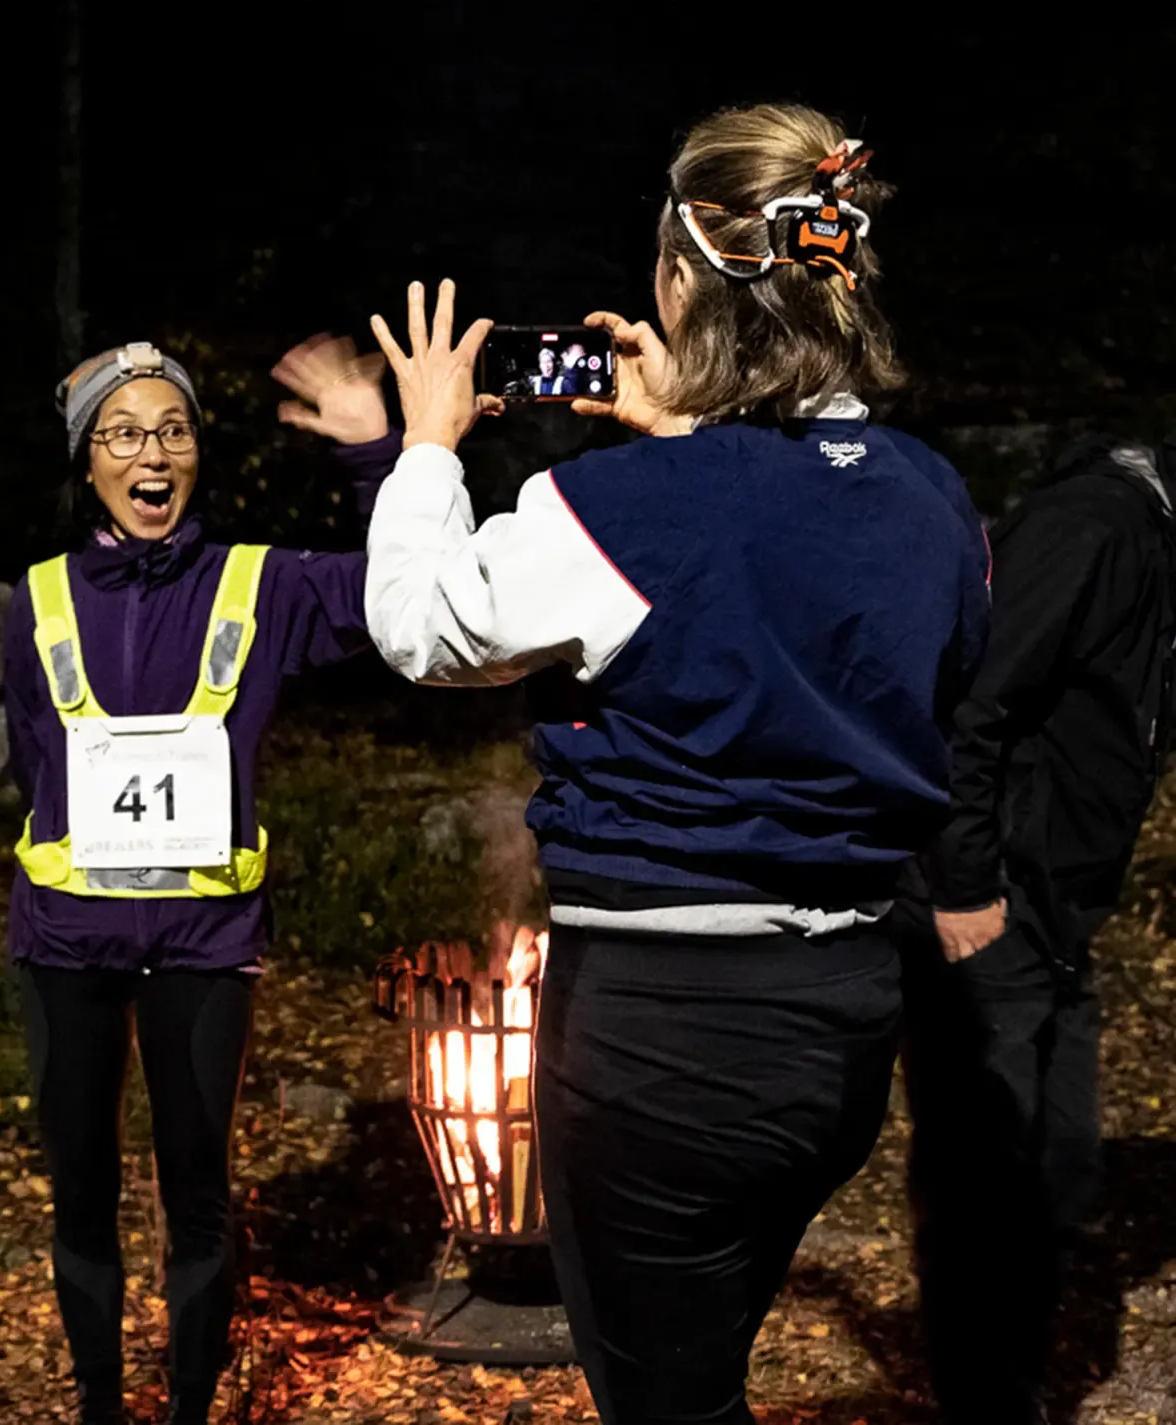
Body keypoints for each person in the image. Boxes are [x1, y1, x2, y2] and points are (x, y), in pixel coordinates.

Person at [364, 101, 990, 1425]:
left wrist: (427, 442)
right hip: (840, 1020)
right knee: (702, 1364)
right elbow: (841, 607)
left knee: (662, 1401)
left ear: (675, 278)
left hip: (665, 1032)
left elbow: (424, 632)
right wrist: (689, 437)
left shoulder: (625, 511)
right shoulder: (931, 493)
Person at [3, 335, 398, 1425]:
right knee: (80, 1191)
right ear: (88, 460)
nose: (153, 452)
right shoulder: (36, 599)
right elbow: (27, 756)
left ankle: (186, 1409)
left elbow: (403, 591)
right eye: (124, 433)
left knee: (198, 1190)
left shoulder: (258, 584)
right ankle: (97, 1406)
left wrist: (377, 457)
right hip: (64, 946)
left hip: (204, 945)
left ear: (196, 453)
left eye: (173, 429)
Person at [899, 431, 1176, 1424]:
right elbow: (971, 701)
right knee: (988, 1184)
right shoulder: (1091, 529)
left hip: (1058, 908)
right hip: (996, 901)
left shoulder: (1142, 539)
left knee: (1060, 1172)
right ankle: (988, 1400)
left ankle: (1010, 1385)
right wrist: (966, 882)